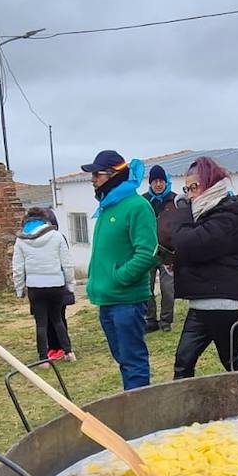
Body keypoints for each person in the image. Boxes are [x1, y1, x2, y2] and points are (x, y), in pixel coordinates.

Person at [165, 157, 238, 378]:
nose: (189, 194)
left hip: (223, 303)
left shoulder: (227, 218)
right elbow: (198, 252)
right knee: (183, 362)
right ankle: (185, 409)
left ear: (210, 184)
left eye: (194, 187)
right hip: (202, 302)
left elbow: (189, 244)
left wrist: (182, 212)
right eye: (186, 188)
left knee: (232, 362)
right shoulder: (209, 215)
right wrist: (176, 262)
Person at [81, 150, 157, 390]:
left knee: (133, 361)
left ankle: (140, 415)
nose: (93, 180)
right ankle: (133, 405)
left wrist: (119, 278)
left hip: (128, 300)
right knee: (123, 360)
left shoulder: (137, 206)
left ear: (114, 174)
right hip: (108, 301)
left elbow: (147, 252)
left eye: (97, 174)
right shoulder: (108, 207)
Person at [11, 206, 76, 362]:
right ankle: (68, 352)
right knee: (57, 319)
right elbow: (67, 263)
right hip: (56, 283)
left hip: (35, 286)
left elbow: (18, 268)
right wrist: (70, 284)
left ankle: (43, 359)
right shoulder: (56, 236)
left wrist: (19, 289)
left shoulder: (21, 239)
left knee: (41, 323)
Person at [143, 165, 177, 333]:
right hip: (147, 252)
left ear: (165, 182)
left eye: (161, 181)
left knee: (168, 289)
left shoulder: (175, 201)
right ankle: (150, 320)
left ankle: (166, 321)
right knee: (146, 288)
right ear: (150, 183)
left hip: (167, 253)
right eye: (155, 181)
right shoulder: (143, 201)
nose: (158, 184)